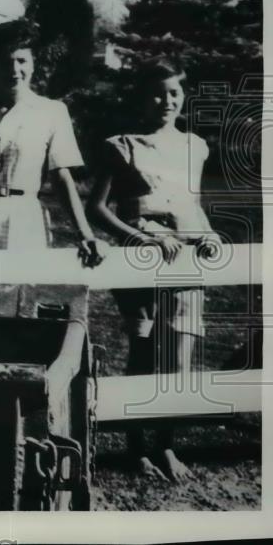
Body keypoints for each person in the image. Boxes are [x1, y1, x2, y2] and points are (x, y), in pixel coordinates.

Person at [87, 57, 219, 482]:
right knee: (143, 356)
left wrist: (210, 233)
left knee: (179, 361)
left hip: (186, 262)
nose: (167, 101)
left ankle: (167, 446)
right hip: (142, 261)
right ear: (143, 98)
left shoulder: (195, 146)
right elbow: (97, 208)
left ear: (183, 97)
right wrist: (139, 237)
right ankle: (137, 450)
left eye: (175, 93)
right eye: (158, 93)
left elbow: (191, 204)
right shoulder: (121, 145)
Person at [0, 19, 102, 265]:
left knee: (18, 292)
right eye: (5, 62)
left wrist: (84, 233)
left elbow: (61, 178)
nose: (14, 69)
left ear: (33, 64)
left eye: (22, 60)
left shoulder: (52, 112)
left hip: (23, 219)